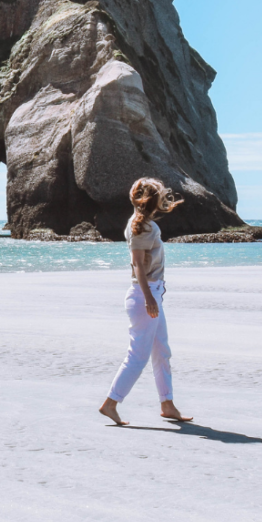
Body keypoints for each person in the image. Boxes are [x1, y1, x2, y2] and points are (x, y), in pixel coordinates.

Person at [99, 177, 193, 426]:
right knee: (138, 356)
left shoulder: (143, 224)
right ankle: (111, 403)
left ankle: (167, 405)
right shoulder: (142, 227)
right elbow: (138, 265)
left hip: (150, 295)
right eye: (161, 196)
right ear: (153, 201)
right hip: (145, 296)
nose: (164, 200)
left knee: (161, 351)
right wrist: (150, 299)